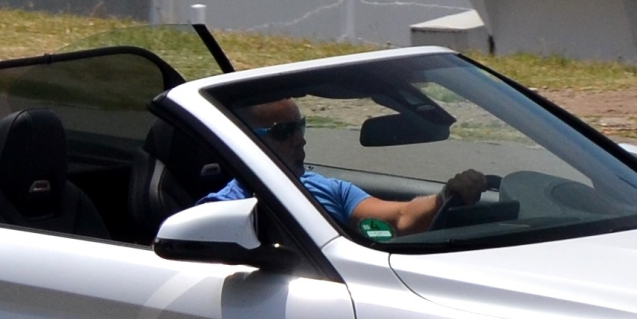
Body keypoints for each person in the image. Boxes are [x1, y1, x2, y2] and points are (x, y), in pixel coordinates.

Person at [201, 98, 485, 237]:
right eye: (283, 130)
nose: (300, 139)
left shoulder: (326, 188)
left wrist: (444, 197)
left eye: (300, 126)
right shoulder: (225, 209)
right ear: (247, 140)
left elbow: (399, 218)